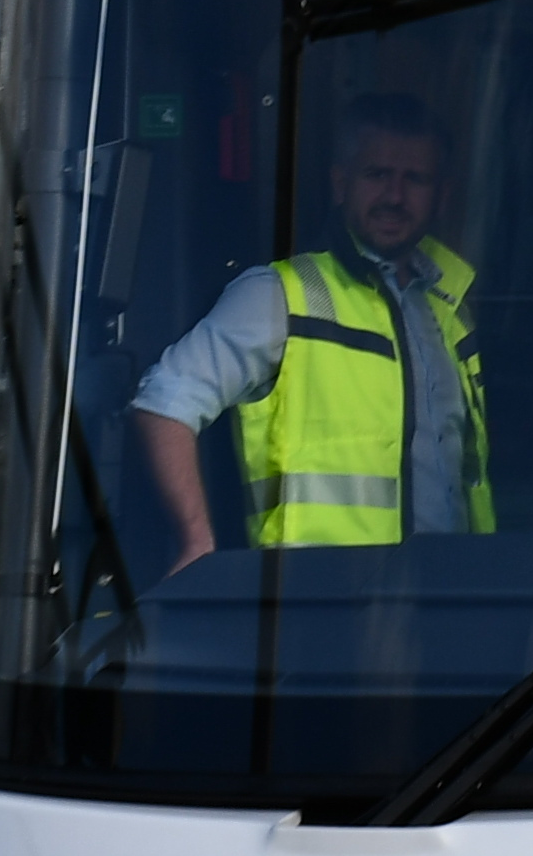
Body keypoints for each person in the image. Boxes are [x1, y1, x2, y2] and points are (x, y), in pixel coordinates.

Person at [129, 92, 498, 560]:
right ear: (340, 184)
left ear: (442, 195)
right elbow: (162, 404)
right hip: (318, 608)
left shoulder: (452, 309)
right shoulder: (280, 295)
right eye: (377, 174)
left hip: (450, 599)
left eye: (415, 179)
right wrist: (197, 544)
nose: (394, 196)